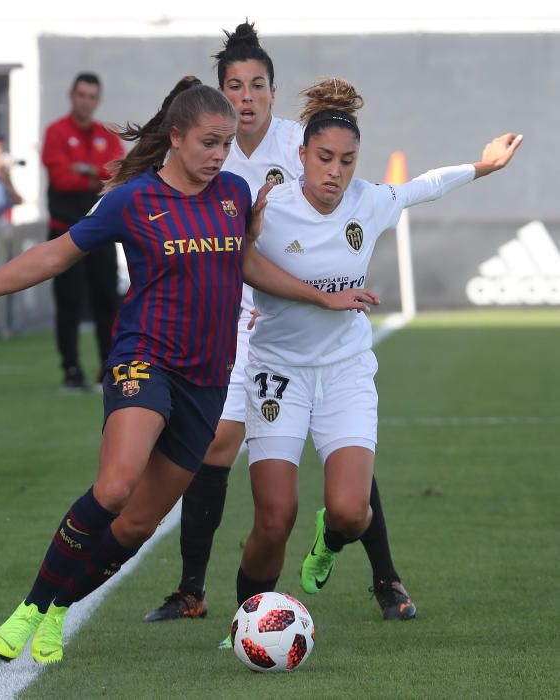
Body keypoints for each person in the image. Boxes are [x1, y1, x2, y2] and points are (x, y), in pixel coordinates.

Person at [0, 78, 375, 665]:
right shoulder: (133, 200)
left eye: (227, 143)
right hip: (145, 359)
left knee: (135, 526)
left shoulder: (233, 194)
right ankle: (32, 605)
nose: (218, 155)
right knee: (115, 485)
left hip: (207, 381)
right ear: (175, 138)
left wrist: (318, 295)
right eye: (208, 142)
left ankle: (57, 611)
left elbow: (247, 264)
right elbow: (57, 253)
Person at [144, 20, 417, 629]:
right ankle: (192, 589)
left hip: (291, 312)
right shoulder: (204, 145)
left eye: (257, 85)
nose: (246, 97)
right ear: (218, 95)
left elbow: (342, 194)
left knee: (339, 441)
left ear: (273, 91)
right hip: (229, 314)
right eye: (234, 86)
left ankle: (385, 574)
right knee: (216, 441)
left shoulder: (301, 142)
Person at [233, 77, 522, 623]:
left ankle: (330, 542)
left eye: (347, 160)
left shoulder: (369, 200)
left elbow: (426, 185)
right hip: (278, 371)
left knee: (348, 512)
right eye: (324, 157)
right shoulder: (268, 206)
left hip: (344, 372)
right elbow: (246, 265)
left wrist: (484, 167)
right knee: (274, 519)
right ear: (301, 155)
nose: (335, 171)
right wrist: (325, 298)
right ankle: (246, 622)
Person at [41, 72, 126, 391]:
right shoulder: (57, 132)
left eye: (92, 96)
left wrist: (87, 170)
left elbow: (116, 173)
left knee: (107, 301)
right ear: (71, 96)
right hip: (64, 231)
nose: (86, 102)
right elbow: (62, 179)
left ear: (97, 100)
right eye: (81, 95)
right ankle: (71, 369)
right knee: (69, 303)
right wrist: (95, 173)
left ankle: (109, 367)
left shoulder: (106, 134)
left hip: (100, 234)